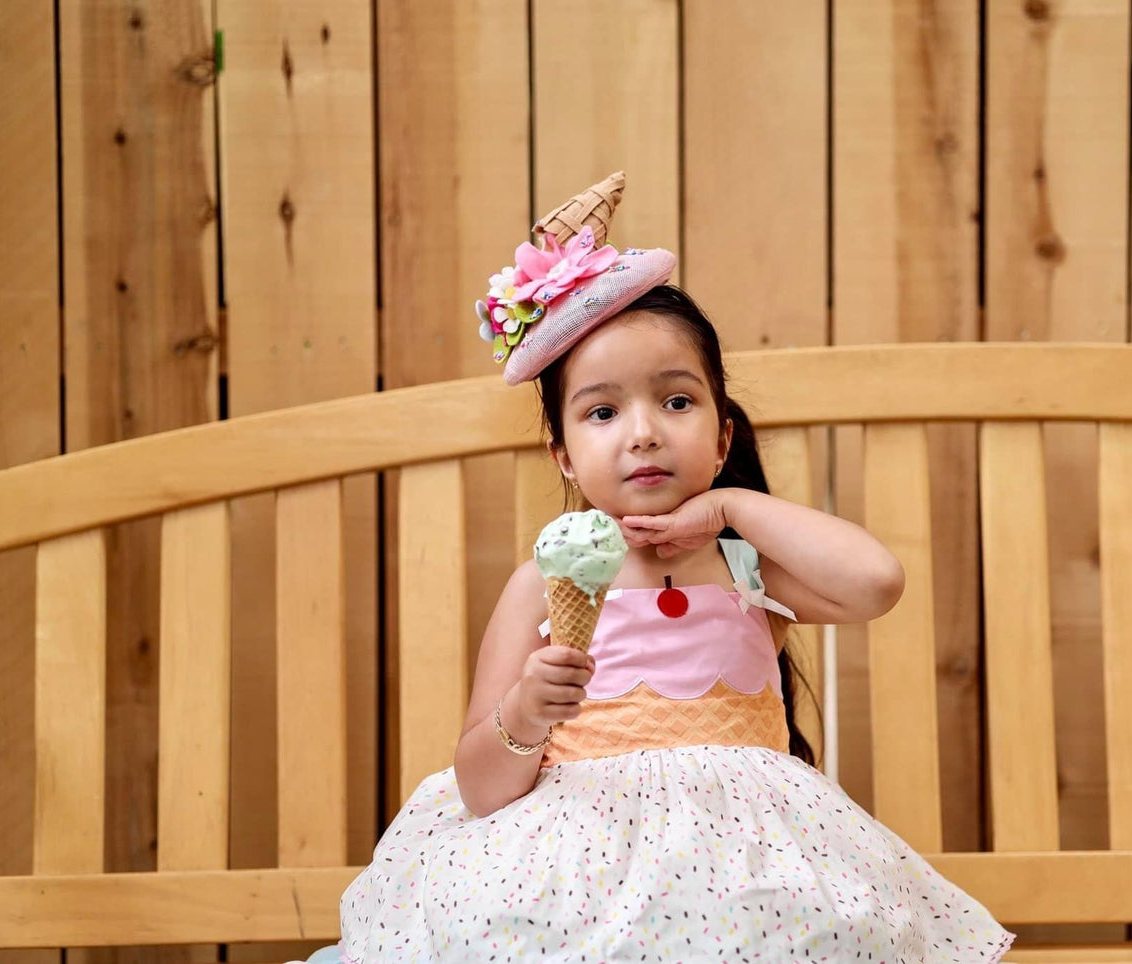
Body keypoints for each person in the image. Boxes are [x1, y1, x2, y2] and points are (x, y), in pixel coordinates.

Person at [331, 172, 1015, 962]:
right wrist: (525, 711)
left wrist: (731, 510)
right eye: (601, 411)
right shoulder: (543, 584)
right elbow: (483, 788)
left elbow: (875, 583)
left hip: (752, 866)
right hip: (580, 866)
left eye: (677, 402)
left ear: (723, 436)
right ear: (562, 451)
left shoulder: (740, 563)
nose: (644, 433)